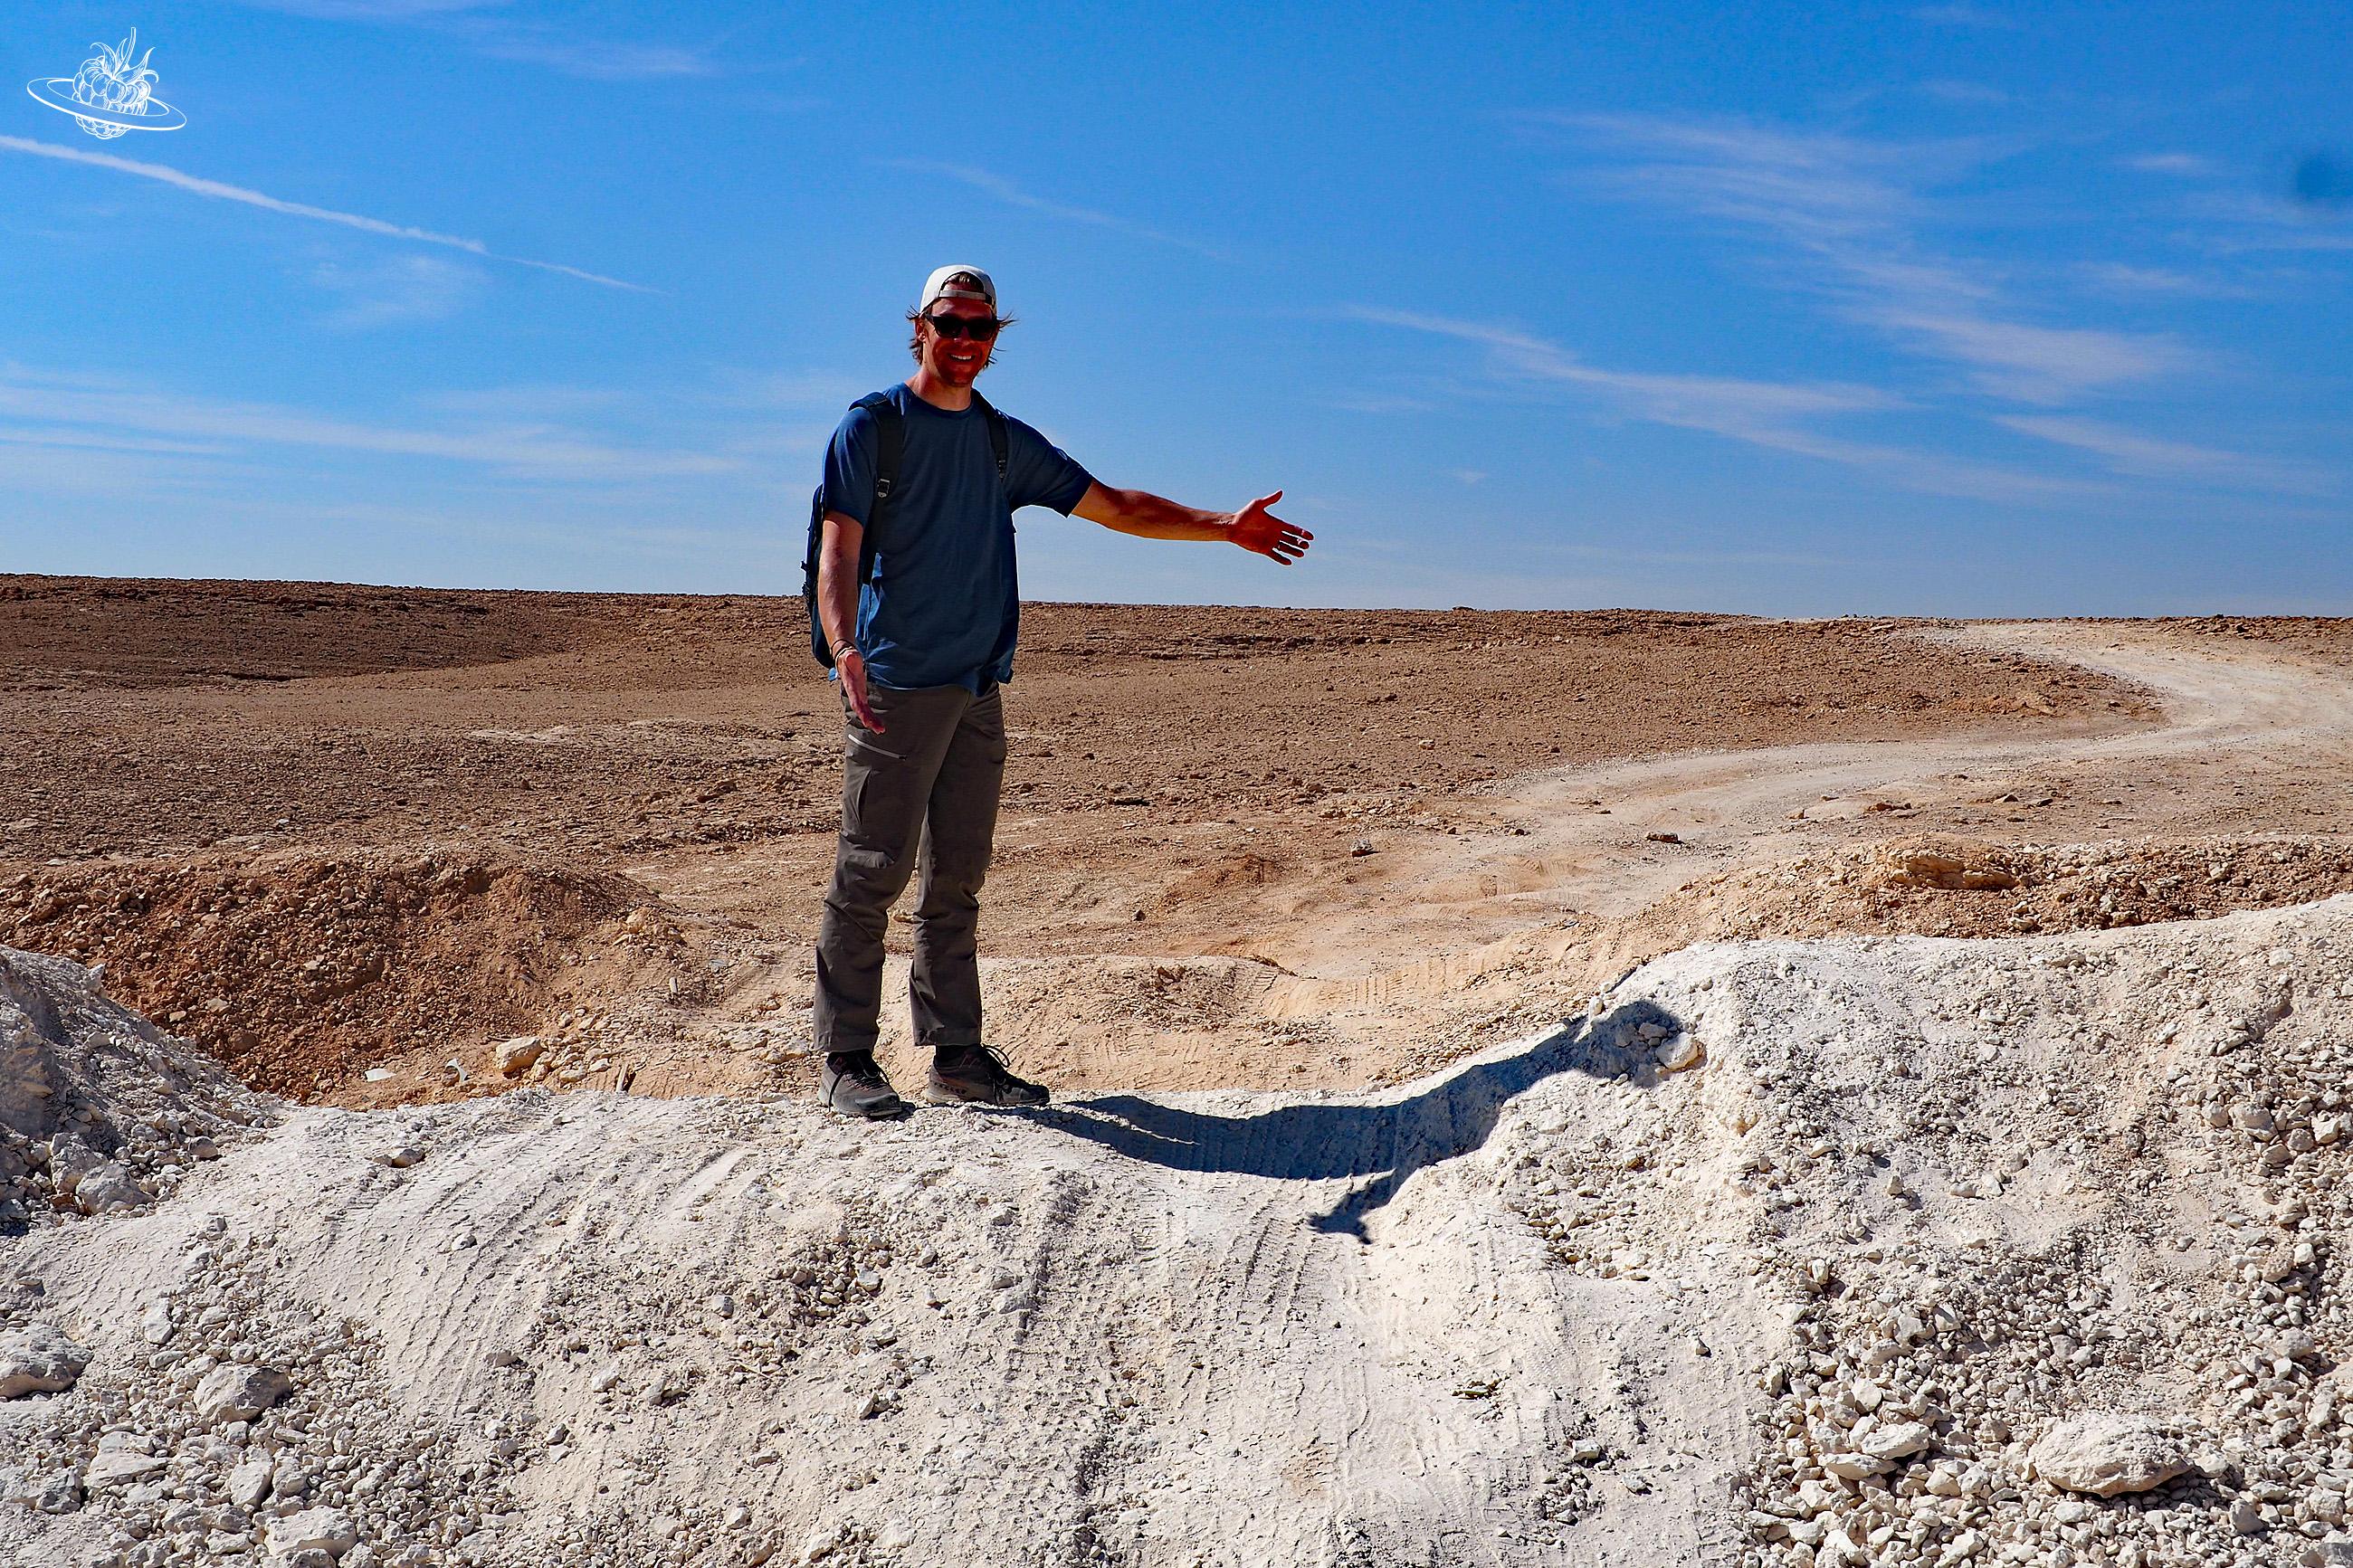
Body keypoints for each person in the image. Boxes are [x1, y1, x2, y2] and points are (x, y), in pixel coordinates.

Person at [811, 264, 1313, 1119]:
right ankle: (847, 1058)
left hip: (976, 686)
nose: (965, 341)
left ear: (996, 338)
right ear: (919, 326)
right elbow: (839, 548)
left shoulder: (1004, 443)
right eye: (950, 324)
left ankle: (956, 1055)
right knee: (871, 871)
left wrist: (1221, 524)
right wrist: (846, 643)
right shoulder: (874, 428)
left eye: (981, 328)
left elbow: (1114, 504)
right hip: (895, 683)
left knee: (956, 881)